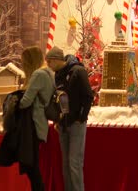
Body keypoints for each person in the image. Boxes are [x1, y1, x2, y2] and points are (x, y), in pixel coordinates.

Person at [46, 46, 93, 191]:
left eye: (49, 62)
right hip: (63, 124)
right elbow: (57, 98)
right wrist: (57, 120)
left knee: (74, 163)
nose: (48, 66)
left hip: (76, 124)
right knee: (65, 163)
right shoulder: (58, 74)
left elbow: (88, 96)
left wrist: (81, 117)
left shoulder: (78, 71)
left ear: (56, 60)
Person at [19, 46, 55, 191]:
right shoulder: (48, 74)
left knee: (31, 167)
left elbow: (26, 101)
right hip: (40, 124)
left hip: (33, 125)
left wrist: (14, 103)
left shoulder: (38, 75)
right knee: (32, 165)